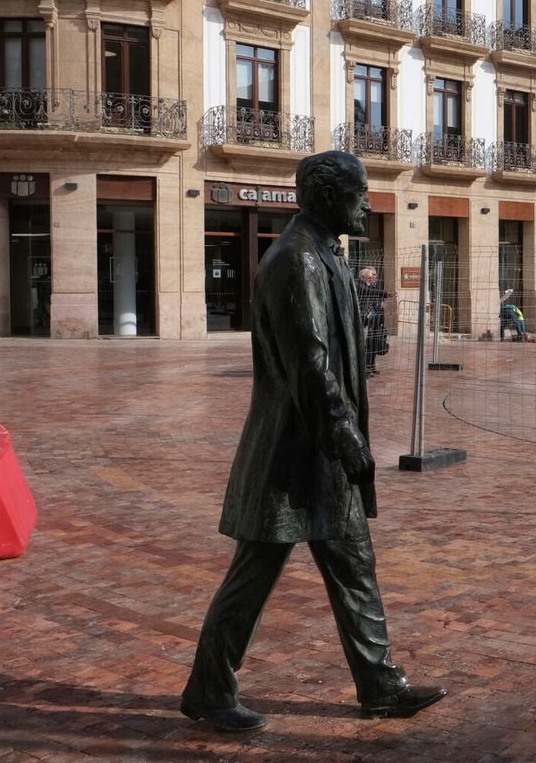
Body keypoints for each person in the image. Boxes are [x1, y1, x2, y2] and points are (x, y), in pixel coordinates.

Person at [181, 151, 445, 734]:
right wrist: (348, 437)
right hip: (292, 457)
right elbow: (311, 365)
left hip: (320, 454)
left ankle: (380, 684)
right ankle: (208, 688)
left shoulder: (324, 255)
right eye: (360, 193)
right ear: (328, 197)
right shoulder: (295, 260)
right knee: (252, 579)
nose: (368, 204)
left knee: (356, 566)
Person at [355, 268, 389, 377]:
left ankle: (371, 366)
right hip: (364, 320)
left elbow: (376, 298)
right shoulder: (359, 285)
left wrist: (380, 304)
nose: (372, 278)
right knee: (365, 345)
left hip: (375, 319)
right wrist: (386, 294)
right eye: (370, 276)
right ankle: (364, 369)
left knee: (373, 344)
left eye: (374, 275)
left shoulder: (373, 285)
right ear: (363, 277)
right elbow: (370, 293)